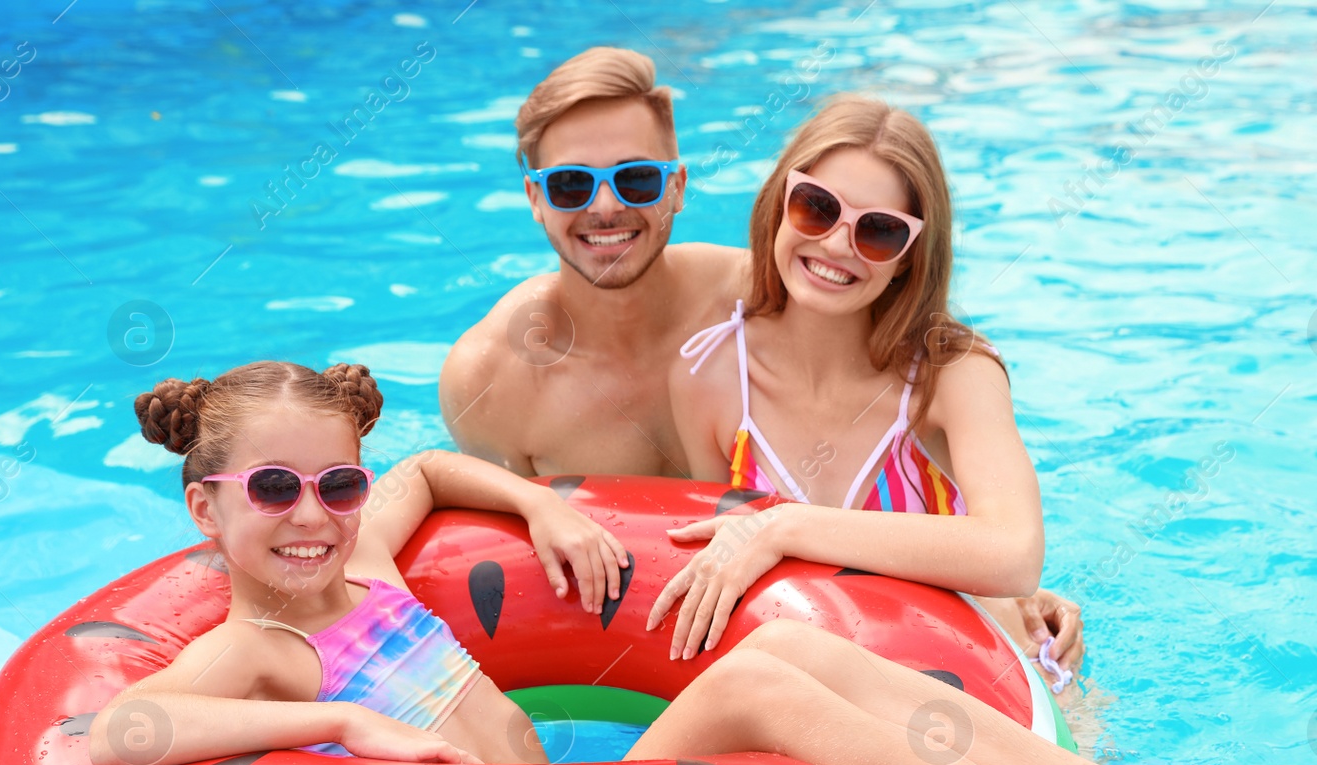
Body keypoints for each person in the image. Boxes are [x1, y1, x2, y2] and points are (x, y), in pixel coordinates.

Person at [91, 359, 1316, 765]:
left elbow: (423, 464)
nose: (312, 516)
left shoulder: (362, 557)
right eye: (271, 492)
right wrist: (339, 718)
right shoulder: (256, 647)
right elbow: (122, 728)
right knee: (764, 688)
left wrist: (534, 501)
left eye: (333, 486)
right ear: (204, 507)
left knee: (797, 654)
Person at [437, 47, 1085, 685]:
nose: (837, 244)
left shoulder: (883, 341)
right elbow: (694, 549)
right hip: (801, 677)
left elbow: (1010, 548)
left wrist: (1005, 589)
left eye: (880, 231)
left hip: (972, 670)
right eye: (817, 208)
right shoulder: (526, 381)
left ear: (677, 187)